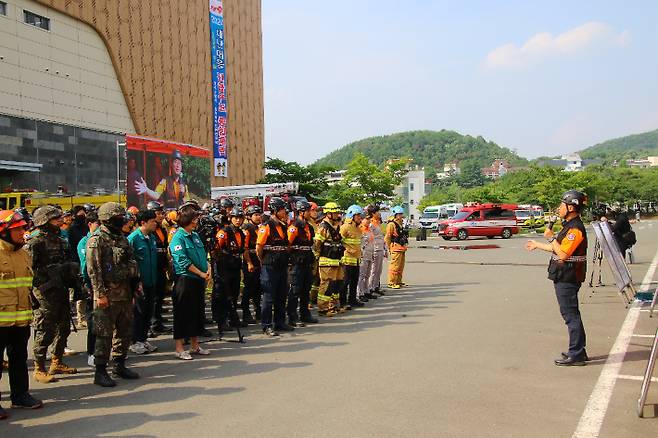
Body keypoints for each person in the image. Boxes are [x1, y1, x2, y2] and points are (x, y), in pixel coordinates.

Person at [525, 190, 589, 366]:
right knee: (571, 313)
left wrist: (551, 237)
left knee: (570, 315)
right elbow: (557, 248)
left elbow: (562, 254)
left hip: (568, 276)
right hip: (564, 274)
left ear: (571, 207)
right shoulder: (569, 225)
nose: (559, 208)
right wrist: (537, 245)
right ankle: (579, 351)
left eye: (562, 205)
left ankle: (576, 353)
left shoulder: (575, 229)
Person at [86, 202, 141, 387]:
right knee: (104, 335)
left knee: (124, 331)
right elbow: (94, 270)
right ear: (108, 219)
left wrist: (135, 286)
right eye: (118, 218)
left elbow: (131, 262)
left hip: (125, 294)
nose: (122, 221)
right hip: (107, 296)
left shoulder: (121, 238)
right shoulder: (97, 240)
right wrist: (99, 294)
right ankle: (100, 371)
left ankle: (119, 364)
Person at [26, 206, 77, 384]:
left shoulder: (61, 241)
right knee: (44, 330)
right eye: (55, 220)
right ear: (44, 221)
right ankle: (39, 367)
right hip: (44, 293)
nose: (60, 222)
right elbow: (28, 271)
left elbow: (68, 263)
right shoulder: (34, 243)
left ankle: (57, 361)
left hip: (61, 290)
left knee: (64, 327)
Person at [0, 210, 43, 418]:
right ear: (4, 231)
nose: (23, 232)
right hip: (1, 319)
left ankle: (20, 395)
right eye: (17, 229)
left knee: (19, 358)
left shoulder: (23, 253)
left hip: (21, 318)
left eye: (23, 228)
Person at [169, 205, 211, 360]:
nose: (197, 222)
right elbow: (181, 260)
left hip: (198, 279)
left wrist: (208, 268)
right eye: (194, 219)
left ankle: (195, 345)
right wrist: (200, 272)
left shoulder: (194, 235)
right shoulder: (178, 237)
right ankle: (179, 348)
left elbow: (202, 253)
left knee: (197, 312)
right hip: (185, 280)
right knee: (182, 313)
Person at [256, 197, 292, 336]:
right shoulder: (267, 226)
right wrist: (263, 260)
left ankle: (280, 323)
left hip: (281, 266)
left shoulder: (283, 225)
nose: (285, 212)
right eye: (283, 210)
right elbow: (259, 247)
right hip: (269, 266)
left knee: (281, 295)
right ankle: (266, 325)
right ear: (275, 210)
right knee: (269, 297)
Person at [128, 210, 159, 355]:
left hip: (151, 281)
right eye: (152, 221)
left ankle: (143, 338)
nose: (155, 223)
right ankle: (135, 341)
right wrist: (135, 281)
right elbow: (128, 261)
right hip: (139, 283)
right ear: (143, 222)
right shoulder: (133, 239)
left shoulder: (151, 237)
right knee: (138, 312)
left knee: (148, 311)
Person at [214, 207, 247, 331]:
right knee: (223, 295)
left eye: (240, 218)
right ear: (230, 219)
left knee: (234, 293)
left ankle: (233, 319)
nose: (238, 221)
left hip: (235, 266)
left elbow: (243, 250)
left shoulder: (241, 233)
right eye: (235, 218)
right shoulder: (224, 232)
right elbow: (216, 250)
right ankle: (222, 321)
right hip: (224, 268)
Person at [286, 200, 319, 326]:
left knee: (306, 289)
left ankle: (305, 314)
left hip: (307, 262)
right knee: (295, 290)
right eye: (308, 210)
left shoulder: (309, 227)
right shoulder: (294, 227)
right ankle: (292, 317)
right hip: (296, 263)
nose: (311, 213)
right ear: (301, 212)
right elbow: (287, 245)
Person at [313, 202, 345, 317]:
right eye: (335, 212)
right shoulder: (323, 227)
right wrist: (317, 257)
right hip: (326, 261)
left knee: (336, 284)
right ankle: (323, 307)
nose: (337, 214)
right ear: (328, 213)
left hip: (337, 261)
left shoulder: (335, 226)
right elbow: (317, 244)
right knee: (326, 285)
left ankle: (333, 305)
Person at [77, 211, 100, 367]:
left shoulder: (102, 240)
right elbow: (87, 266)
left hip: (102, 286)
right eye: (97, 223)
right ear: (90, 224)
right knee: (92, 321)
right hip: (90, 285)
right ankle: (91, 353)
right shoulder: (84, 242)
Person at [147, 201, 171, 335]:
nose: (161, 216)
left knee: (160, 297)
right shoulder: (148, 232)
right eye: (158, 213)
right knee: (152, 298)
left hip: (161, 268)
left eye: (162, 213)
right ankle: (151, 324)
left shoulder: (162, 229)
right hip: (152, 269)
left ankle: (158, 322)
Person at [241, 205, 263, 324]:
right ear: (249, 216)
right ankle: (246, 313)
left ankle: (258, 311)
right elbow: (245, 248)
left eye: (259, 214)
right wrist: (249, 263)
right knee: (248, 289)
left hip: (257, 262)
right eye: (255, 215)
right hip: (250, 262)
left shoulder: (257, 227)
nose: (258, 217)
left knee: (257, 289)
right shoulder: (247, 228)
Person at [340, 205, 365, 308]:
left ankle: (352, 299)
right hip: (347, 259)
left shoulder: (358, 228)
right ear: (352, 215)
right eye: (358, 216)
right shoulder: (345, 227)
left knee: (355, 281)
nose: (360, 218)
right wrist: (348, 249)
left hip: (356, 259)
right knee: (345, 282)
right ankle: (343, 302)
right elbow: (339, 241)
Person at [68, 205, 88, 328]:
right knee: (79, 292)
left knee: (85, 293)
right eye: (80, 214)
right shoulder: (72, 229)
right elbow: (71, 248)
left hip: (85, 261)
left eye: (84, 213)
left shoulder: (86, 227)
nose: (83, 216)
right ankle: (80, 318)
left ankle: (84, 316)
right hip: (76, 263)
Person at [385, 206, 408, 289]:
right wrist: (389, 247)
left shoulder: (401, 223)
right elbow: (388, 237)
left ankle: (398, 281)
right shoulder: (391, 224)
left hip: (402, 247)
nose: (401, 216)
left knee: (400, 266)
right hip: (395, 247)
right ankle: (392, 282)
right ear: (395, 215)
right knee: (394, 266)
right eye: (399, 214)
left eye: (401, 214)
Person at [357, 210, 377, 301]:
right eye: (366, 219)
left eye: (369, 219)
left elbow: (371, 243)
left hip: (369, 253)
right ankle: (360, 293)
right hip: (363, 254)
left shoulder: (369, 229)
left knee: (368, 274)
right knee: (362, 275)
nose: (368, 221)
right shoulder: (360, 229)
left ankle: (366, 291)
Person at [366, 204, 386, 296]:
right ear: (373, 213)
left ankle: (376, 286)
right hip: (374, 248)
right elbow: (369, 237)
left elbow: (381, 236)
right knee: (373, 270)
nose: (379, 213)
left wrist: (384, 248)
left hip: (380, 247)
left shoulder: (378, 222)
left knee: (379, 269)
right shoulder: (370, 223)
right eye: (378, 211)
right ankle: (370, 287)